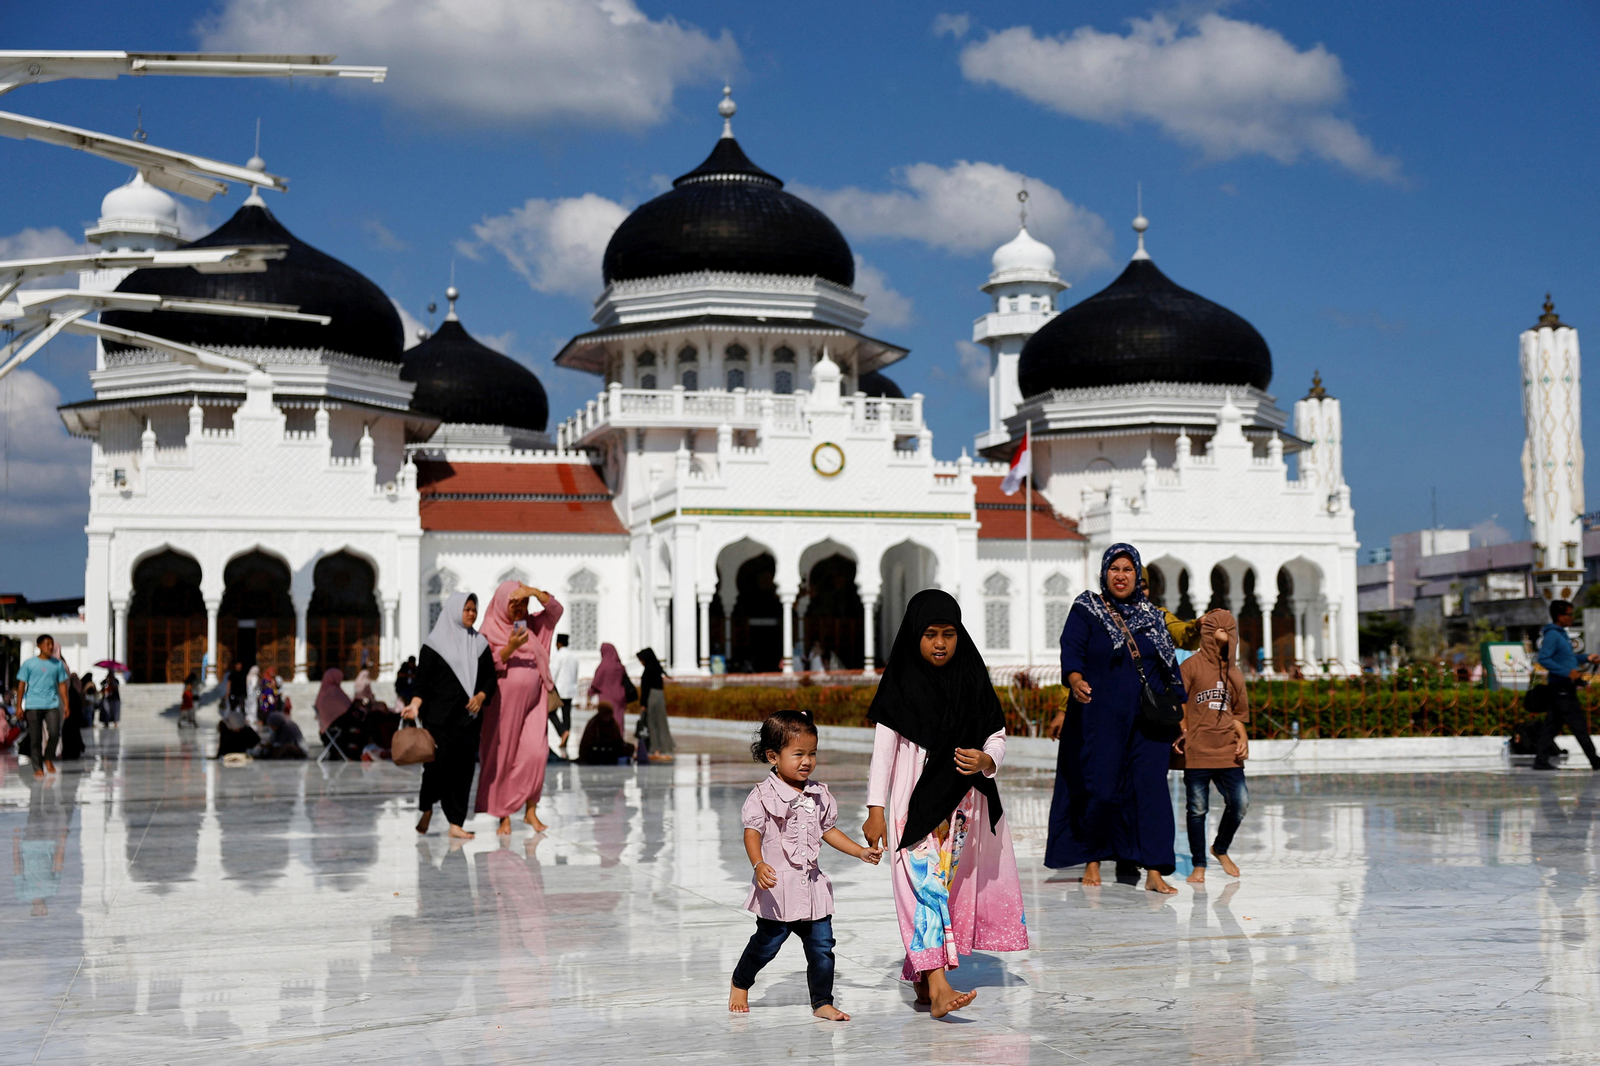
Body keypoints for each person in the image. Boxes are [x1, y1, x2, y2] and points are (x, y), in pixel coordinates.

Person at [862, 589, 1029, 1019]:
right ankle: (938, 988)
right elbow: (884, 752)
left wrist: (988, 758)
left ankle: (922, 978)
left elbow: (996, 731)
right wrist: (875, 808)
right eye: (931, 634)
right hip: (910, 809)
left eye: (949, 634)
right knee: (926, 889)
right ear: (914, 635)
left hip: (960, 811)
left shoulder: (970, 677)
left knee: (940, 891)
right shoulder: (900, 684)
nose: (940, 643)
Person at [1046, 543, 1186, 894]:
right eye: (1114, 569)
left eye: (1127, 569)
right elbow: (1072, 649)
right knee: (1101, 788)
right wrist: (1075, 680)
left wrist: (1179, 716)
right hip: (1100, 716)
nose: (1120, 576)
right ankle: (1093, 858)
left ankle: (1154, 868)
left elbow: (1168, 667)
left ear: (1137, 575)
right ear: (1104, 572)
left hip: (1148, 722)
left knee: (1151, 791)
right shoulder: (1087, 609)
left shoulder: (1153, 616)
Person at [730, 710, 882, 1020]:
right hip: (778, 890)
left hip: (811, 889)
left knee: (822, 949)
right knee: (766, 945)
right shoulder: (762, 796)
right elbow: (752, 833)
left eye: (812, 753)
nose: (807, 761)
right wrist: (758, 865)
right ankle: (740, 982)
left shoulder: (818, 794)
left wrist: (859, 852)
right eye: (798, 754)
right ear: (773, 756)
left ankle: (822, 1002)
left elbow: (828, 831)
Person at [404, 592, 498, 839]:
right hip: (438, 719)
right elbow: (422, 683)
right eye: (467, 609)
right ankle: (426, 808)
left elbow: (490, 678)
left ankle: (456, 823)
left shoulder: (479, 644)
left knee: (463, 771)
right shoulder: (434, 645)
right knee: (436, 768)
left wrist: (480, 696)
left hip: (467, 719)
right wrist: (414, 705)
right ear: (455, 610)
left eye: (474, 610)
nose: (471, 614)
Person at [476, 580, 564, 835]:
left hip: (535, 702)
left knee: (536, 754)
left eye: (523, 603)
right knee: (503, 757)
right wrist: (511, 647)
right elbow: (483, 667)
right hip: (502, 704)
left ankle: (530, 811)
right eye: (514, 603)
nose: (519, 608)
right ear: (502, 603)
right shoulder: (488, 631)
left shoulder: (535, 627)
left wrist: (535, 592)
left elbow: (556, 611)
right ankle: (503, 814)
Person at [1175, 610, 1251, 883]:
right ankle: (1199, 864)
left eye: (1232, 631)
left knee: (1240, 802)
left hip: (1227, 751)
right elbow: (1179, 700)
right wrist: (1183, 729)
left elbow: (1238, 715)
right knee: (1197, 810)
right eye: (1222, 630)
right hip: (1198, 751)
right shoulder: (1192, 666)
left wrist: (1242, 738)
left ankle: (1220, 848)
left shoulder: (1235, 673)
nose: (1228, 636)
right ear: (1208, 632)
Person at [1534, 599, 1600, 771]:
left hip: (1564, 687)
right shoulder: (1552, 635)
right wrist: (1566, 672)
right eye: (1569, 615)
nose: (1571, 618)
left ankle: (1541, 761)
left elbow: (1567, 658)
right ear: (1559, 616)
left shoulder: (1561, 634)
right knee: (1578, 725)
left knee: (1551, 726)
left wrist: (1586, 658)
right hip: (1561, 687)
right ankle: (1595, 760)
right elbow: (1543, 659)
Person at [15, 635, 69, 778]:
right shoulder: (29, 664)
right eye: (47, 644)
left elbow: (62, 685)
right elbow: (21, 685)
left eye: (52, 644)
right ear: (39, 646)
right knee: (36, 737)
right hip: (33, 705)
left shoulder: (57, 664)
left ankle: (49, 757)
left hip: (52, 704)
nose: (50, 647)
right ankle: (38, 767)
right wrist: (19, 706)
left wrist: (66, 704)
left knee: (54, 733)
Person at [637, 648, 675, 763]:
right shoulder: (657, 669)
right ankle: (666, 746)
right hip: (659, 696)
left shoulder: (648, 670)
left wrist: (643, 704)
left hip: (652, 698)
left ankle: (655, 748)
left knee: (652, 723)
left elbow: (645, 689)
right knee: (661, 722)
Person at [588, 643, 632, 732]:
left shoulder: (602, 667)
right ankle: (619, 741)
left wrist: (590, 692)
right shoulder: (620, 667)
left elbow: (596, 682)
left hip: (606, 699)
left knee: (606, 722)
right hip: (620, 698)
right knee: (618, 721)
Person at [550, 634, 578, 759]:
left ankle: (562, 732)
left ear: (559, 643)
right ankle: (565, 737)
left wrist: (549, 686)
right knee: (567, 715)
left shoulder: (559, 656)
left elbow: (552, 672)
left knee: (551, 712)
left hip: (560, 690)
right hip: (570, 690)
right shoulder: (574, 657)